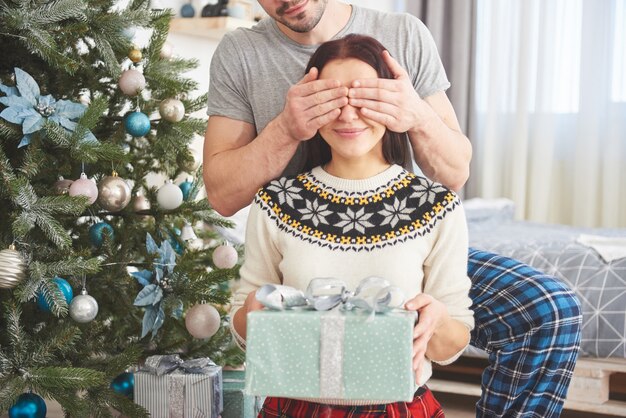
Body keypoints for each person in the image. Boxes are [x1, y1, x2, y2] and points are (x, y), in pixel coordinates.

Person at [204, 1, 582, 416]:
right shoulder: (240, 53)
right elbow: (223, 196)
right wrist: (285, 128)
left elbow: (455, 173)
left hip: (399, 237)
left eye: (364, 98)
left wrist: (416, 113)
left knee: (550, 309)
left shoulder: (404, 34)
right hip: (299, 254)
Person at [231, 33, 474, 417]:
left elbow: (451, 343)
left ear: (393, 102)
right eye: (331, 100)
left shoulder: (437, 206)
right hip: (294, 408)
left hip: (399, 408)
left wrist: (437, 322)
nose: (347, 115)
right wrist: (251, 312)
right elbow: (243, 330)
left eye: (366, 99)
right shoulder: (276, 203)